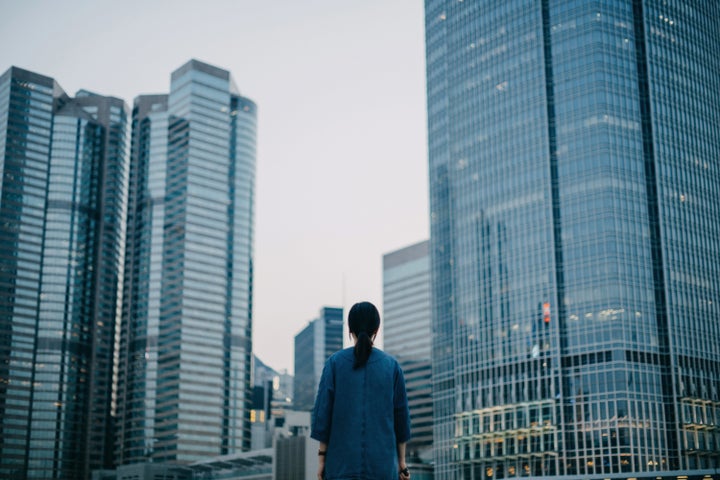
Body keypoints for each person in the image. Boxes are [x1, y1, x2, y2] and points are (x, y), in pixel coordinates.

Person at [311, 301, 411, 480]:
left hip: (341, 468)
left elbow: (322, 416)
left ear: (350, 329)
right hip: (383, 469)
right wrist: (401, 462)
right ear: (376, 329)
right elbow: (401, 419)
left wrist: (322, 460)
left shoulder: (335, 364)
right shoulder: (392, 366)